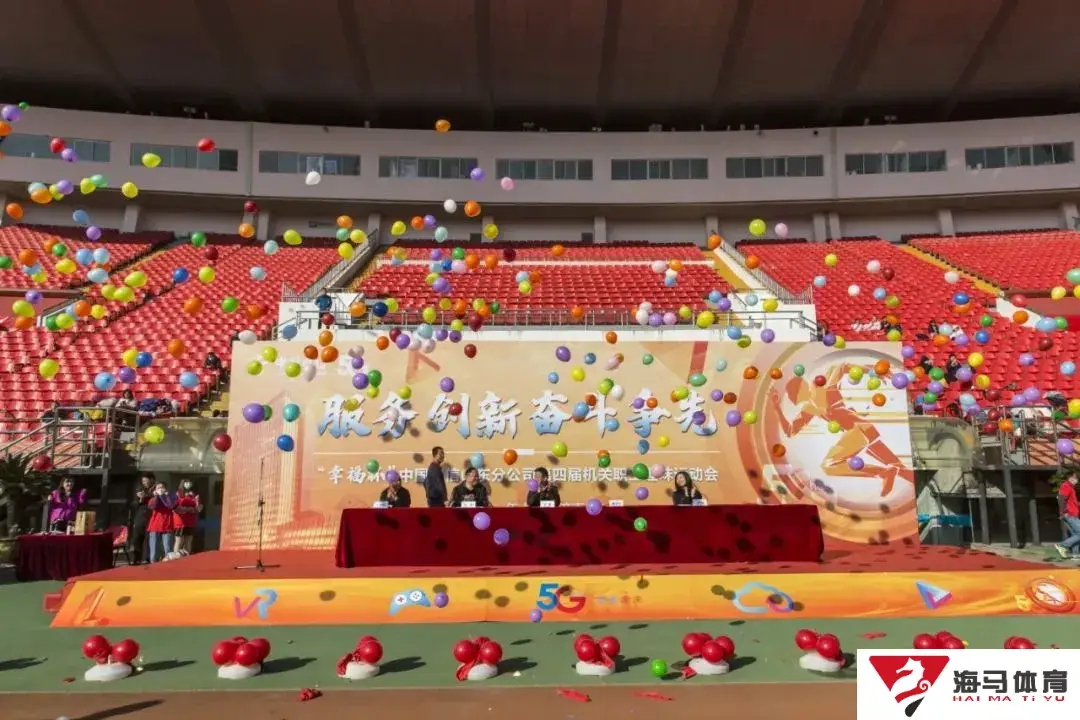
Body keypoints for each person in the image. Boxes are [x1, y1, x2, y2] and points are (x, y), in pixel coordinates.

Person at [146, 480, 177, 563]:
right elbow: (152, 506)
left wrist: (164, 496)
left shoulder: (170, 497)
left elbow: (170, 505)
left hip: (167, 525)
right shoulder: (153, 498)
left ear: (166, 489)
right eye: (158, 488)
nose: (160, 489)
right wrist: (156, 496)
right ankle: (153, 565)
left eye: (162, 487)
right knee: (154, 550)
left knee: (167, 549)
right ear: (155, 490)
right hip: (155, 526)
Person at [129, 473, 154, 563]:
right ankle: (135, 559)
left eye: (146, 480)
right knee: (136, 538)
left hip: (151, 518)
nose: (144, 483)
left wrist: (149, 496)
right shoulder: (139, 490)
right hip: (139, 518)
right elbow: (133, 504)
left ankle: (146, 558)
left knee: (148, 539)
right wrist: (140, 500)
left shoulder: (155, 490)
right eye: (143, 481)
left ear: (152, 480)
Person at [173, 479, 202, 555]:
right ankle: (176, 557)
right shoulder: (178, 494)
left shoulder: (194, 495)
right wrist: (188, 509)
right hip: (180, 521)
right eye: (186, 482)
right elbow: (176, 508)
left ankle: (187, 557)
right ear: (182, 483)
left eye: (190, 482)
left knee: (188, 541)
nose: (188, 484)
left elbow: (198, 509)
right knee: (179, 541)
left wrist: (197, 502)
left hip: (191, 521)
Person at [1056, 473, 1080, 559]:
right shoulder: (1066, 486)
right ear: (1071, 478)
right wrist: (1064, 512)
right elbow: (1061, 498)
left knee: (1075, 534)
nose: (1077, 481)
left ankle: (1075, 554)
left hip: (1072, 514)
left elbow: (1070, 502)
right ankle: (1062, 546)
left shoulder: (1070, 487)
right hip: (1070, 514)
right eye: (1075, 479)